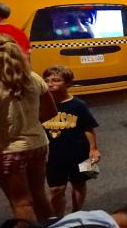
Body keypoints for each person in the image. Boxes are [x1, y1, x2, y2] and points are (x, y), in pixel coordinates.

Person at [0, 34, 56, 222]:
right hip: (37, 144)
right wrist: (27, 124)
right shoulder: (33, 78)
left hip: (6, 151)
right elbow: (50, 111)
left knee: (21, 202)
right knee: (39, 196)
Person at [42, 65, 100, 216]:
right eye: (47, 80)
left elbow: (89, 128)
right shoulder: (42, 105)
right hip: (54, 155)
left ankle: (76, 213)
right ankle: (58, 218)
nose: (50, 84)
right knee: (56, 189)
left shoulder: (78, 105)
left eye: (56, 80)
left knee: (80, 184)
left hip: (80, 152)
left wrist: (93, 149)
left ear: (68, 83)